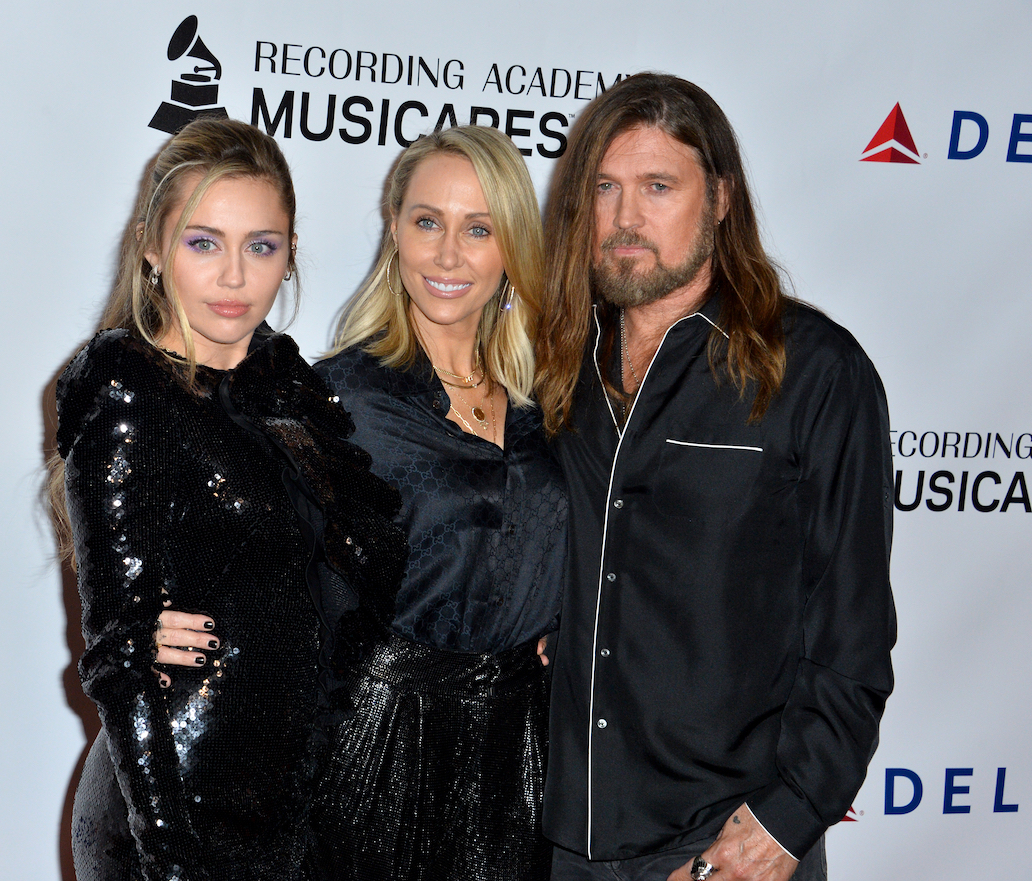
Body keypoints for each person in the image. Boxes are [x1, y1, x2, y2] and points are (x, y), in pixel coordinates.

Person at [156, 125, 567, 880]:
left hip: (526, 760)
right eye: (426, 222)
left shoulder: (554, 409)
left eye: (478, 229)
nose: (448, 254)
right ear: (395, 232)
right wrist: (149, 620)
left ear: (511, 245)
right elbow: (252, 546)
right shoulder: (339, 398)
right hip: (378, 758)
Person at [534, 73, 897, 881]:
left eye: (658, 186)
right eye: (605, 188)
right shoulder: (559, 364)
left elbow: (854, 634)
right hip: (567, 838)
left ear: (721, 197)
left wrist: (784, 823)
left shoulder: (812, 372)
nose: (625, 219)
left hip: (722, 846)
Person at [50, 116, 406, 881]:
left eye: (261, 245)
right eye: (203, 242)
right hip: (171, 804)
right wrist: (169, 859)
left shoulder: (288, 390)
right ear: (153, 248)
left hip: (287, 804)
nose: (235, 276)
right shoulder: (128, 384)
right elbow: (121, 660)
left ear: (291, 252)